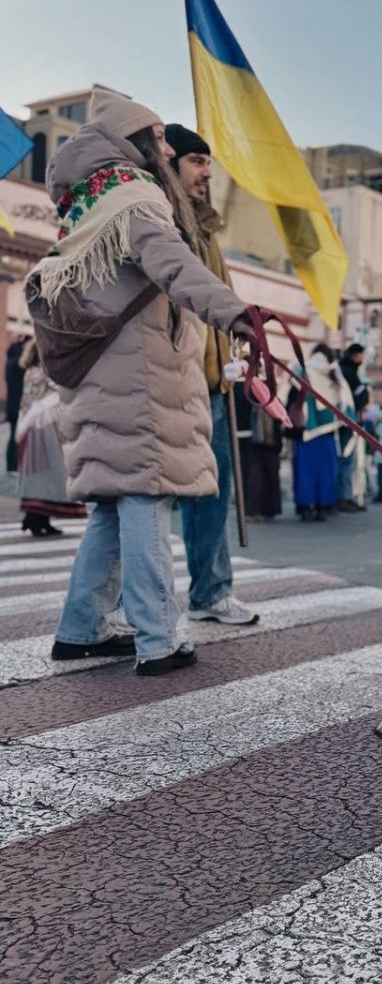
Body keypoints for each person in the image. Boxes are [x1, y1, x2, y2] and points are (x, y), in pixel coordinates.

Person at [27, 89, 252, 674]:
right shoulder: (136, 199)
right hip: (140, 386)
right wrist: (238, 315)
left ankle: (81, 627)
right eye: (154, 137)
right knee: (147, 497)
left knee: (112, 509)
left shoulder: (86, 204)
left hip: (104, 383)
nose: (162, 147)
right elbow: (176, 267)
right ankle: (158, 637)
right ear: (131, 143)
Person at [165, 123, 258, 625]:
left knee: (213, 491)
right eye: (197, 160)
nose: (206, 172)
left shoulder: (205, 227)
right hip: (179, 379)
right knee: (157, 499)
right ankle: (135, 607)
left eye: (209, 163)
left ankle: (210, 592)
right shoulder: (166, 221)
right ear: (171, 161)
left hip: (214, 380)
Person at [16, 340, 87, 535]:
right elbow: (64, 389)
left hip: (31, 428)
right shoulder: (46, 373)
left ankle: (37, 517)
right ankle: (37, 518)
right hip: (46, 428)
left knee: (38, 474)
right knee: (52, 472)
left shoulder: (30, 372)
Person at [290, 343, 349, 521]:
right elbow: (346, 402)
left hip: (306, 432)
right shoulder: (334, 373)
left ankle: (305, 506)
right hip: (329, 431)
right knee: (326, 472)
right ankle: (324, 506)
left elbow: (291, 394)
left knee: (305, 472)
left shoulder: (303, 369)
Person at [233, 381, 283, 521]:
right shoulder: (256, 385)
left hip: (247, 434)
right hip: (258, 436)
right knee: (256, 475)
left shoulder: (240, 385)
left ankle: (252, 510)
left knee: (249, 474)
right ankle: (255, 509)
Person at [337, 343, 369, 512]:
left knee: (347, 461)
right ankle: (344, 496)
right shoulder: (348, 372)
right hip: (347, 422)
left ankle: (345, 495)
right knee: (347, 460)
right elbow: (358, 397)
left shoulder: (343, 370)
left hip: (343, 422)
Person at [4, 336, 27, 473]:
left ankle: (10, 466)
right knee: (16, 436)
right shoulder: (18, 365)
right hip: (18, 405)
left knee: (12, 436)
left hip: (10, 405)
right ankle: (15, 465)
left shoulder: (8, 364)